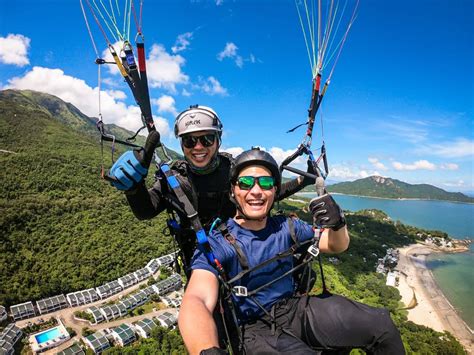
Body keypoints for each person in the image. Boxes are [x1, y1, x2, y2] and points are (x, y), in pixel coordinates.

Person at [178, 148, 405, 355]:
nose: (256, 191)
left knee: (381, 325)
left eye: (265, 183)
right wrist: (206, 350)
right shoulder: (219, 242)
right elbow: (196, 299)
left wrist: (339, 224)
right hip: (255, 329)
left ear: (275, 191)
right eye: (246, 182)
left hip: (296, 309)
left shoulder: (287, 226)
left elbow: (336, 244)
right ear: (233, 190)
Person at [108, 105, 314, 272]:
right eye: (190, 140)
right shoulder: (173, 179)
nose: (198, 147)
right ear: (181, 145)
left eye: (207, 139)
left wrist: (302, 181)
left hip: (241, 252)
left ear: (218, 141)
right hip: (201, 260)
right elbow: (146, 210)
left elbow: (265, 194)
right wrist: (134, 188)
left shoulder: (233, 170)